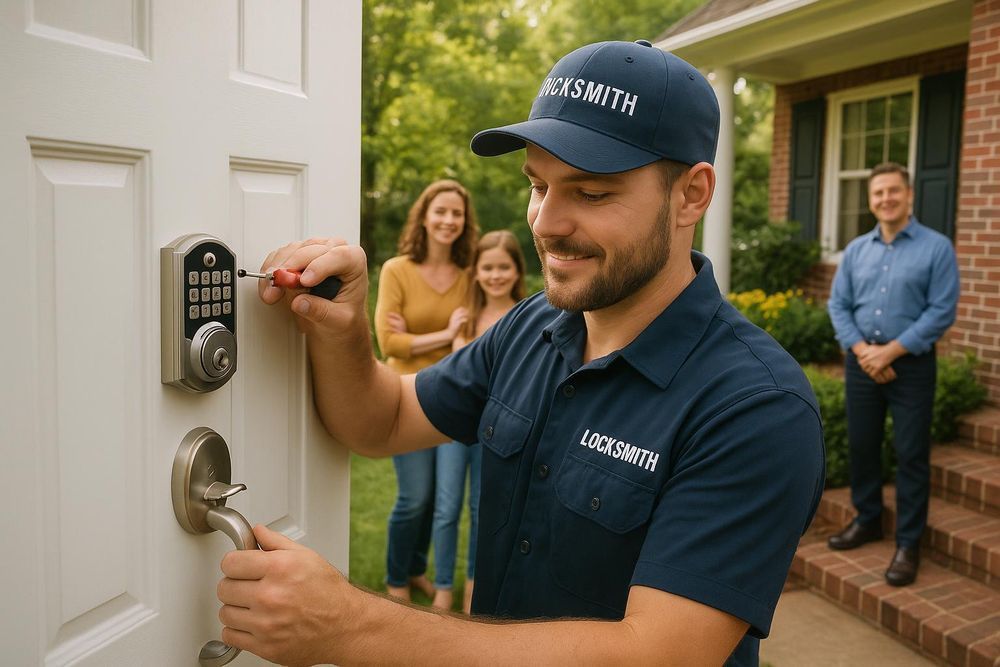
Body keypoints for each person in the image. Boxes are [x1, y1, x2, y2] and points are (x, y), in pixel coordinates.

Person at [217, 40, 825, 666]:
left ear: (691, 196)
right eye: (538, 185)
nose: (545, 221)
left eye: (590, 193)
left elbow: (658, 654)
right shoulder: (535, 324)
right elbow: (385, 419)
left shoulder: (757, 408)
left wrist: (349, 623)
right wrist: (340, 328)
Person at [826, 162, 959, 587]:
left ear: (909, 195)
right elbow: (839, 306)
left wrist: (891, 353)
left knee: (911, 454)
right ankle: (868, 520)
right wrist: (866, 353)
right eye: (878, 192)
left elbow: (941, 310)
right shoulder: (857, 250)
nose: (886, 199)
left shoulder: (937, 249)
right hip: (863, 362)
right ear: (871, 199)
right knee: (863, 447)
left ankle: (908, 542)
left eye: (893, 191)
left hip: (912, 366)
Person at [374, 179, 478, 601]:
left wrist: (419, 336)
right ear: (424, 217)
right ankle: (397, 579)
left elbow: (468, 341)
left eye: (457, 213)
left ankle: (417, 568)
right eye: (441, 212)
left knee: (439, 497)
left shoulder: (469, 276)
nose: (448, 220)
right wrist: (442, 334)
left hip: (452, 397)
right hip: (406, 396)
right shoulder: (396, 270)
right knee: (414, 496)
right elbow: (388, 344)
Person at [431, 230, 527, 613]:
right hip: (458, 429)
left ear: (517, 271)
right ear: (476, 273)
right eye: (488, 268)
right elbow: (460, 377)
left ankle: (474, 585)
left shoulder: (527, 316)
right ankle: (441, 586)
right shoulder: (465, 317)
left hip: (502, 431)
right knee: (446, 506)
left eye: (504, 267)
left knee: (483, 509)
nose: (496, 275)